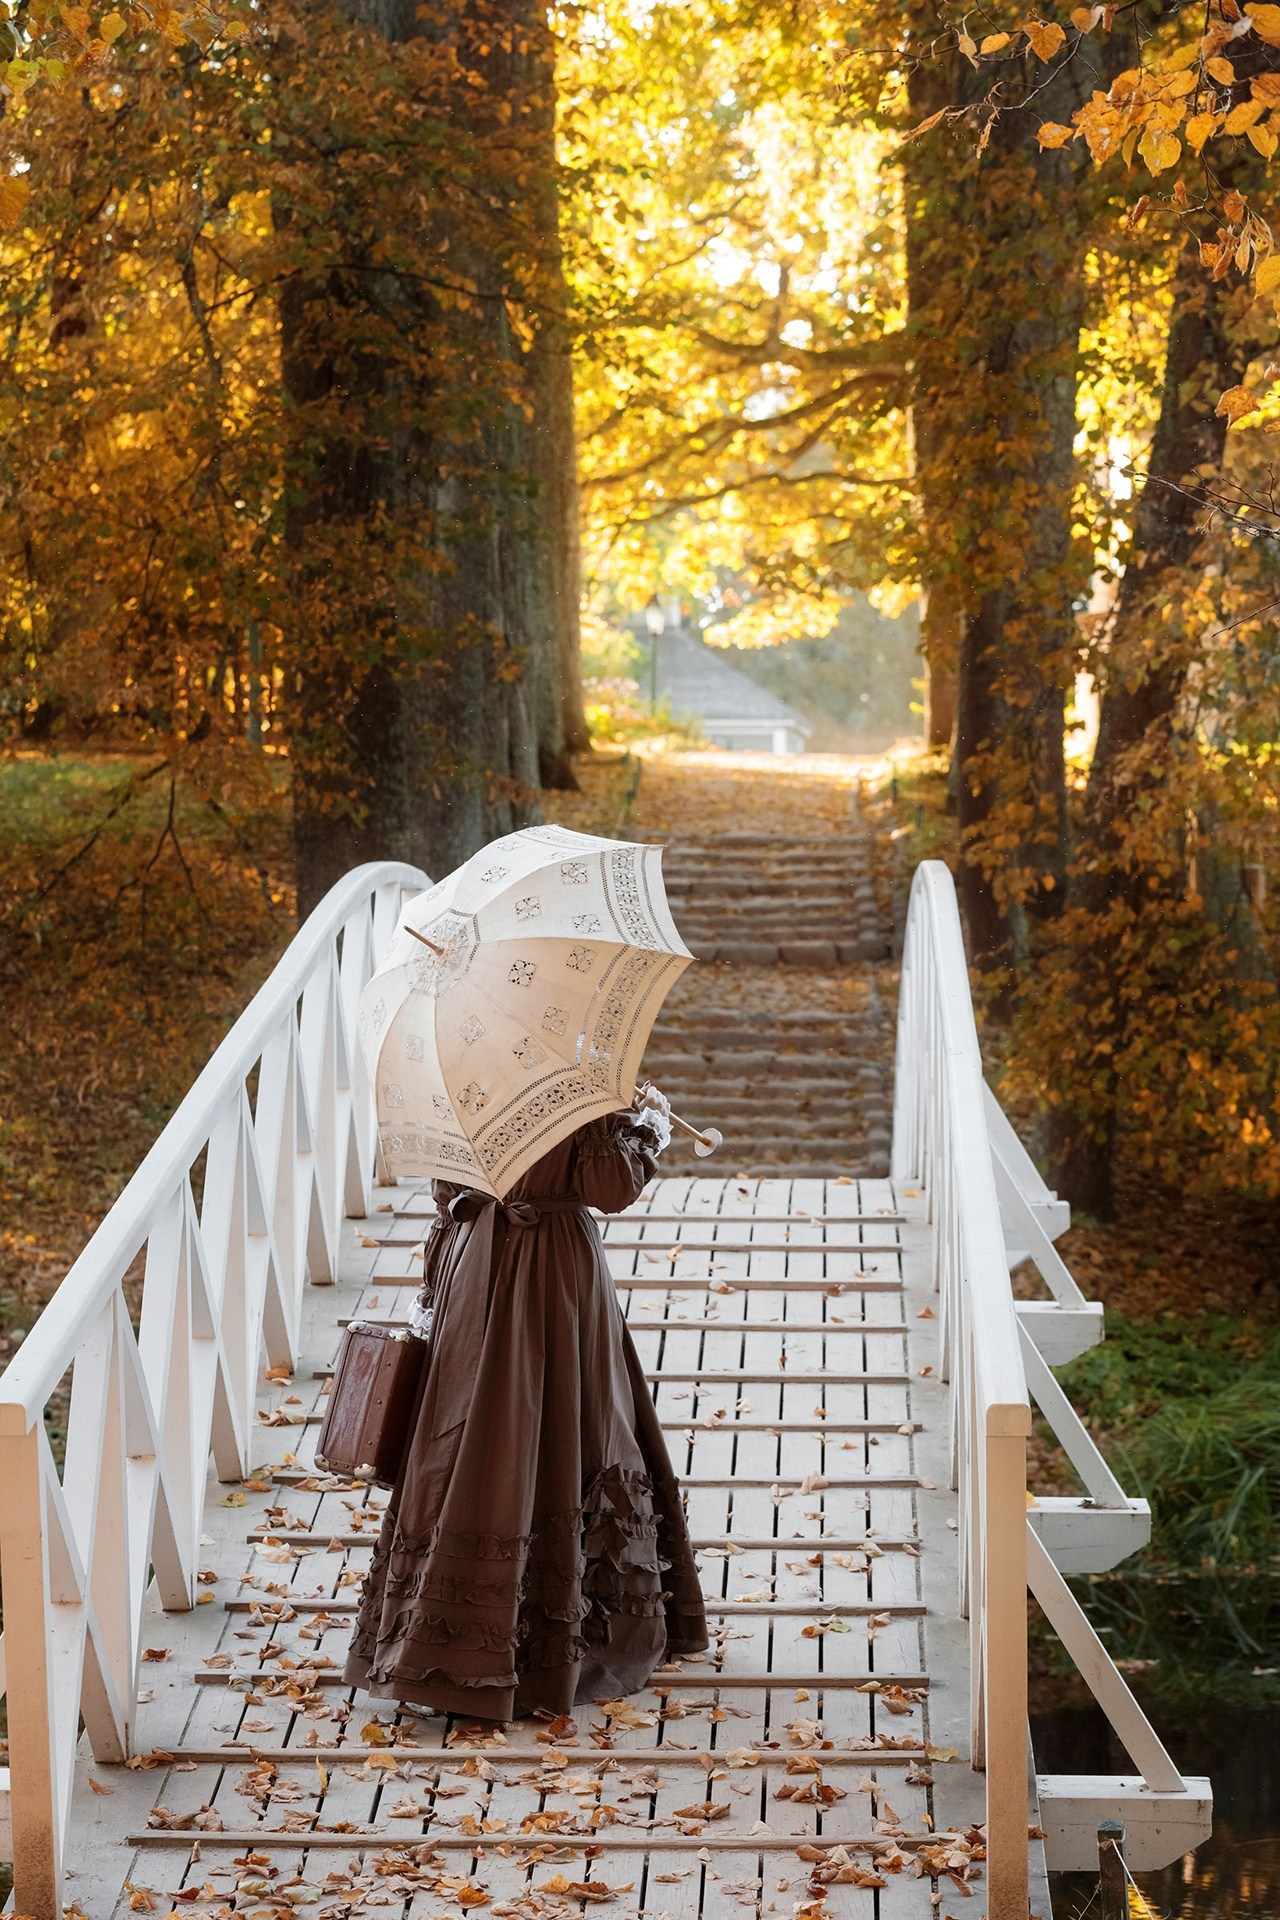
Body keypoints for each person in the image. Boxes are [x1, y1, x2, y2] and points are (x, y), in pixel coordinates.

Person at [344, 1085, 709, 1721]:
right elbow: (610, 1188)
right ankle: (563, 1644)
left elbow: (443, 1194)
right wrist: (645, 1125)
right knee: (580, 1427)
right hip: (553, 1275)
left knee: (469, 1439)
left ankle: (441, 1641)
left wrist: (436, 1288)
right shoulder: (582, 1079)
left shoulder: (460, 1069)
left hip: (473, 1263)